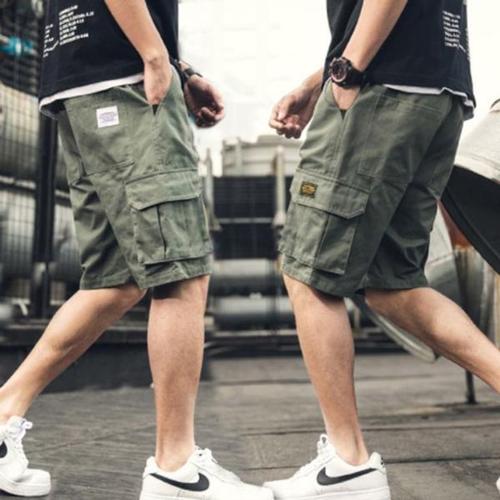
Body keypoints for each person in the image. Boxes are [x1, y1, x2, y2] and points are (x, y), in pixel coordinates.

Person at [0, 1, 272, 499]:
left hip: (79, 84)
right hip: (125, 81)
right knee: (180, 274)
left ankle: (2, 414)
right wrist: (153, 55)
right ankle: (176, 469)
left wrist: (180, 68)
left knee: (116, 282)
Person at [268, 1, 499, 499]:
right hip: (438, 93)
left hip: (383, 90)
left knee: (308, 275)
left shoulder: (365, 75)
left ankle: (348, 463)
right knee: (394, 285)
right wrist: (319, 79)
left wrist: (348, 71)